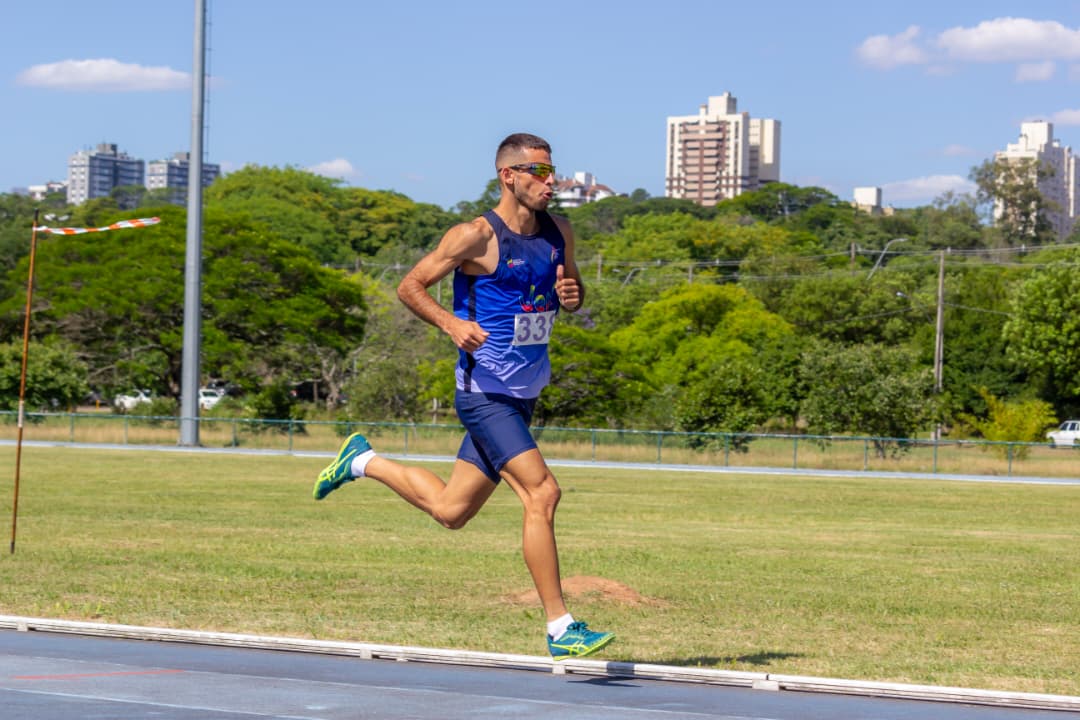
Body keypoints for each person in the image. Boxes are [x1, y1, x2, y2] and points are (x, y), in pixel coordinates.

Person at [313, 132, 614, 661]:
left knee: (451, 511)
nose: (552, 182)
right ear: (509, 176)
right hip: (484, 394)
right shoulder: (475, 237)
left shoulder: (559, 232)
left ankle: (362, 461)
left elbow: (570, 292)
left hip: (523, 395)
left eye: (553, 171)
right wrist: (451, 323)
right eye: (540, 172)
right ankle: (561, 626)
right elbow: (411, 285)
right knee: (542, 494)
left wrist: (573, 295)